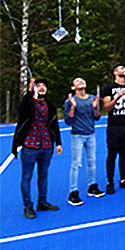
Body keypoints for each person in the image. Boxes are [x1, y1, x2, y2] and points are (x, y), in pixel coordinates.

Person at [12, 78, 62, 219]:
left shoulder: (49, 104)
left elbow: (54, 124)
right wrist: (29, 92)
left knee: (43, 174)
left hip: (46, 145)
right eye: (38, 86)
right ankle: (28, 206)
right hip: (30, 146)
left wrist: (58, 142)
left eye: (43, 86)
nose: (41, 88)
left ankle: (42, 202)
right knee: (27, 176)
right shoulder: (29, 103)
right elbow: (21, 109)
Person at [65, 78, 104, 206]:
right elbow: (68, 121)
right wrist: (73, 107)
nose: (81, 81)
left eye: (82, 80)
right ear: (73, 87)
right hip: (77, 135)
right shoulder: (70, 101)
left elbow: (97, 117)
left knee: (92, 161)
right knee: (76, 164)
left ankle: (92, 187)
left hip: (91, 134)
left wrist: (96, 108)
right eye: (77, 81)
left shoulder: (92, 98)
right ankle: (73, 192)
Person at [102, 63, 125, 195]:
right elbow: (107, 108)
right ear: (115, 72)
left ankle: (123, 179)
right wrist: (117, 97)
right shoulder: (109, 88)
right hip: (114, 126)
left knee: (124, 153)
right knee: (112, 154)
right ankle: (110, 181)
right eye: (122, 68)